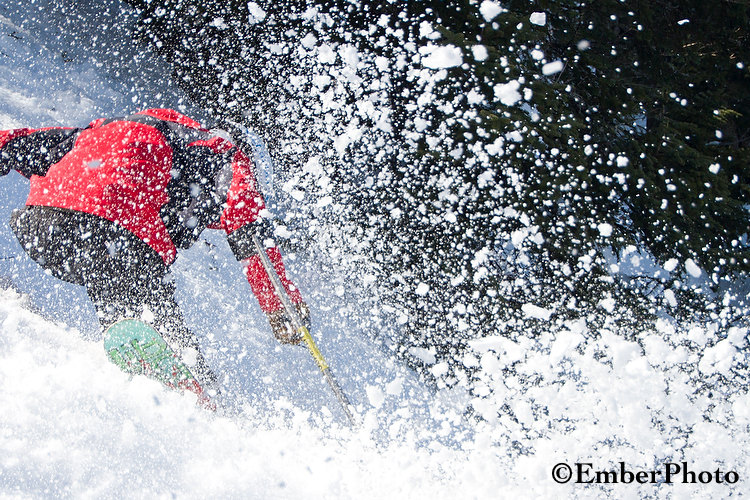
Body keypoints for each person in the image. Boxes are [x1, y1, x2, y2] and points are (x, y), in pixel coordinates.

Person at [0, 108, 310, 392]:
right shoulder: (225, 154)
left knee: (115, 284)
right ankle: (200, 396)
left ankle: (132, 353)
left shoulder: (113, 128)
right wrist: (280, 308)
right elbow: (247, 228)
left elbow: (15, 145)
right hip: (118, 236)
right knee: (154, 318)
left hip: (43, 231)